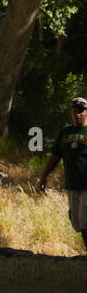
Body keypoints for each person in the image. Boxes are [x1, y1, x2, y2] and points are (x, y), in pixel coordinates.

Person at [38, 96, 87, 251]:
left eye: (81, 111)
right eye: (75, 111)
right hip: (72, 185)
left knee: (86, 223)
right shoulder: (65, 133)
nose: (78, 114)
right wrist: (44, 175)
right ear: (71, 113)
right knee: (79, 225)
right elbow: (55, 156)